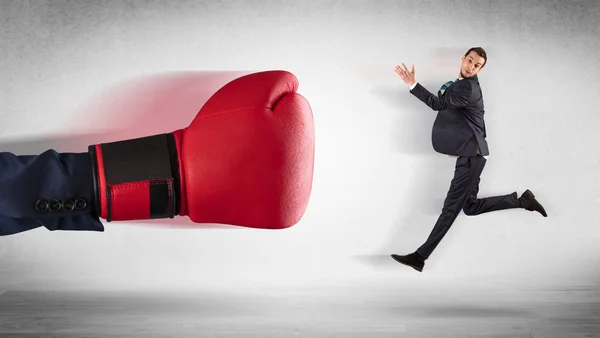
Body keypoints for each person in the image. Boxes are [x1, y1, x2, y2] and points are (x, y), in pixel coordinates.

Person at [391, 47, 547, 272]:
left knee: (450, 209)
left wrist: (413, 84)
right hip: (472, 154)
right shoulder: (464, 85)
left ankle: (420, 257)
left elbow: (439, 105)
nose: (471, 67)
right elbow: (454, 109)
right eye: (470, 61)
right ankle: (523, 201)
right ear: (463, 58)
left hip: (471, 156)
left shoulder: (468, 87)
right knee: (470, 207)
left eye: (476, 65)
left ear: (480, 69)